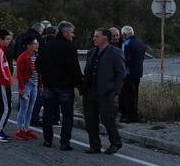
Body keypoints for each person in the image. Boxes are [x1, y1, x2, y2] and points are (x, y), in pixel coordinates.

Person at [36, 20, 83, 150]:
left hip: (49, 85)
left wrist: (46, 75)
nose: (73, 36)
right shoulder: (70, 47)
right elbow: (74, 68)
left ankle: (47, 140)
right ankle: (64, 142)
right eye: (72, 33)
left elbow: (38, 65)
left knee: (47, 114)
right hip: (65, 87)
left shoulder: (46, 46)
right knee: (67, 115)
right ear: (66, 32)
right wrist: (79, 83)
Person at [82, 28, 126, 154]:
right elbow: (87, 70)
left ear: (105, 39)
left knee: (107, 119)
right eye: (94, 36)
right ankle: (94, 145)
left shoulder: (115, 53)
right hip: (90, 91)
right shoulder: (91, 52)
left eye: (97, 36)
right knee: (90, 119)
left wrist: (116, 91)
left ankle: (115, 142)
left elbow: (121, 73)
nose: (94, 38)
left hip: (106, 91)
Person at [119, 25, 147, 123]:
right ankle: (134, 114)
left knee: (128, 95)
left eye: (122, 34)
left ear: (124, 34)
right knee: (135, 94)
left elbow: (125, 60)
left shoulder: (126, 43)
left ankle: (130, 116)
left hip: (128, 73)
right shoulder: (141, 43)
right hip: (138, 72)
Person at [15, 37, 41, 140]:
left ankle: (26, 128)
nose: (37, 45)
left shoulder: (37, 56)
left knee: (31, 108)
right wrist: (22, 88)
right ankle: (19, 130)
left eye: (37, 44)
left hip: (34, 84)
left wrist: (40, 85)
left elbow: (40, 72)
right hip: (26, 85)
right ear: (28, 46)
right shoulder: (23, 57)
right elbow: (19, 74)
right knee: (23, 108)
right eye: (34, 44)